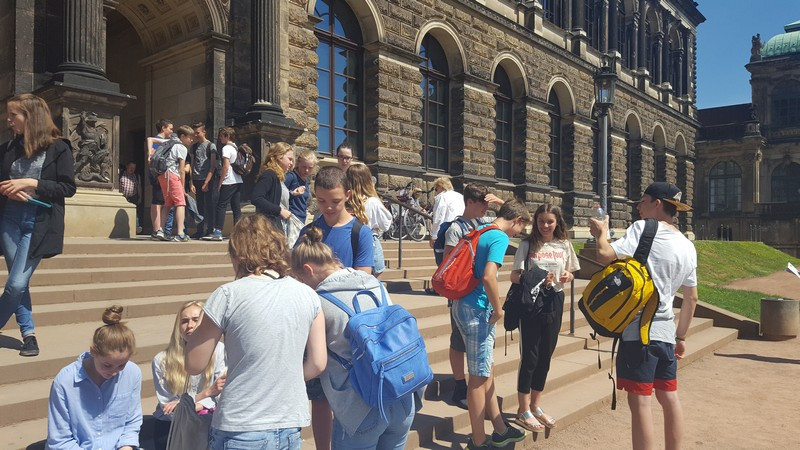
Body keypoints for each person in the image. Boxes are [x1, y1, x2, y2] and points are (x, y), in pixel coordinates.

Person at [185, 214, 327, 450]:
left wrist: (201, 324)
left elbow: (193, 363)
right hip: (289, 421)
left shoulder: (228, 294)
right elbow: (318, 363)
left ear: (237, 254)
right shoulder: (308, 295)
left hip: (241, 422)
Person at [589, 182, 699, 450]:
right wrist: (681, 337)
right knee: (669, 397)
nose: (638, 206)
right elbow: (691, 298)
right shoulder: (687, 245)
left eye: (643, 200)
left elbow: (604, 254)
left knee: (640, 402)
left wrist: (601, 233)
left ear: (657, 204)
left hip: (639, 333)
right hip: (666, 333)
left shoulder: (644, 229)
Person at [292, 227, 415, 449]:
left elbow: (316, 364)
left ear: (308, 270)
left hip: (361, 407)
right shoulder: (374, 284)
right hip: (401, 395)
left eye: (300, 279)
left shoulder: (319, 302)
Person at [294, 165, 373, 449]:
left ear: (348, 195)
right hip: (314, 326)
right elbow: (297, 273)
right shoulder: (308, 231)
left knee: (348, 394)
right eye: (322, 201)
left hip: (345, 330)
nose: (328, 207)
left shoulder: (360, 232)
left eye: (335, 201)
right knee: (319, 397)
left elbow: (364, 280)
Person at [0, 93, 77, 357]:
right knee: (18, 282)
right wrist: (8, 191)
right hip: (9, 220)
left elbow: (67, 188)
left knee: (16, 284)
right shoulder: (8, 148)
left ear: (30, 117)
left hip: (39, 222)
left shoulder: (59, 148)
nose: (9, 120)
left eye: (14, 115)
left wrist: (31, 183)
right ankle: (29, 335)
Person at [452, 199, 530, 449]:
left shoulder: (482, 229)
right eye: (521, 228)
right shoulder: (499, 237)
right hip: (477, 309)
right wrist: (498, 309)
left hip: (463, 304)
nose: (518, 234)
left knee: (487, 370)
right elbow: (488, 276)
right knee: (477, 378)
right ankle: (478, 441)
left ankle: (499, 428)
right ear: (517, 220)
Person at [510, 203, 579, 433]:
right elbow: (514, 276)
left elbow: (571, 271)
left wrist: (568, 275)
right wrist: (535, 278)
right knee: (530, 356)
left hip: (554, 300)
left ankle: (535, 405)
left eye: (550, 221)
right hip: (532, 303)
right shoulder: (527, 245)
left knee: (545, 356)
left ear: (557, 222)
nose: (545, 225)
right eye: (541, 221)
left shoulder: (564, 244)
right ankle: (523, 409)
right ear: (535, 222)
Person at [440, 183, 504, 408]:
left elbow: (515, 217)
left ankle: (477, 386)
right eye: (482, 204)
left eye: (488, 205)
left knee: (480, 345)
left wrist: (500, 202)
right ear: (469, 202)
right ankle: (460, 385)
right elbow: (448, 262)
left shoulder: (484, 223)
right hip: (462, 294)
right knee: (459, 341)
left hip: (480, 295)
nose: (486, 209)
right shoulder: (456, 229)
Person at [46, 305, 142, 449]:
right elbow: (60, 440)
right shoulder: (65, 381)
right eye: (107, 365)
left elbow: (132, 422)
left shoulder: (132, 373)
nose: (114, 372)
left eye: (121, 365)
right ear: (93, 352)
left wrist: (126, 446)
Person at [151, 301, 227, 450]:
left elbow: (221, 397)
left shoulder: (219, 350)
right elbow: (169, 410)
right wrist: (206, 393)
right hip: (172, 429)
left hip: (207, 425)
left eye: (196, 320)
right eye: (184, 321)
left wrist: (186, 404)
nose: (190, 325)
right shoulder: (162, 360)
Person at [346, 164, 391, 278]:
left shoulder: (344, 200)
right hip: (369, 240)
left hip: (348, 240)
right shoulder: (372, 201)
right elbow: (386, 224)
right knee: (375, 274)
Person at [154, 126, 193, 242]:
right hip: (172, 175)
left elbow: (151, 140)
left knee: (167, 204)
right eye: (190, 138)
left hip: (162, 175)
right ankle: (180, 233)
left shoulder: (169, 143)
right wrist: (182, 186)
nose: (191, 140)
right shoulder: (181, 147)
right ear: (182, 136)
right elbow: (181, 169)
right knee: (181, 203)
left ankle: (161, 230)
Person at [208, 127, 243, 240]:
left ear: (227, 136)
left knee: (221, 205)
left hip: (229, 181)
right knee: (236, 207)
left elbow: (226, 166)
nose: (220, 138)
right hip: (238, 180)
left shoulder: (226, 148)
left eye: (221, 136)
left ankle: (218, 231)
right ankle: (238, 232)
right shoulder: (236, 147)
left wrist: (221, 181)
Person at [252, 141, 294, 233]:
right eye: (289, 159)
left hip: (273, 224)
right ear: (279, 157)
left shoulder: (277, 176)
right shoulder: (269, 175)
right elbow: (256, 198)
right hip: (267, 226)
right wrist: (279, 211)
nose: (291, 163)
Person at [189, 122, 219, 239]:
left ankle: (210, 229)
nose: (196, 135)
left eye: (198, 133)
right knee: (199, 206)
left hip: (207, 179)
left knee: (210, 205)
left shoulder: (211, 146)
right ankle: (200, 230)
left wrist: (206, 182)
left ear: (204, 132)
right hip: (196, 179)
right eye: (194, 133)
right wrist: (191, 181)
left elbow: (213, 165)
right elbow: (192, 165)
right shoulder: (193, 147)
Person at [147, 119, 174, 238]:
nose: (172, 131)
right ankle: (157, 229)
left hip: (162, 173)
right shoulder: (159, 141)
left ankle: (159, 229)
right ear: (163, 128)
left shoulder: (165, 141)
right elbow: (152, 151)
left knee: (161, 200)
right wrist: (150, 153)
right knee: (158, 201)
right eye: (170, 128)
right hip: (158, 173)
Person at [284, 149, 317, 246]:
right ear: (298, 163)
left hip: (301, 219)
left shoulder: (305, 181)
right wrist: (292, 193)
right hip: (291, 218)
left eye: (310, 168)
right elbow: (278, 193)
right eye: (304, 167)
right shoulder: (291, 177)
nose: (306, 170)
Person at [429, 177, 464, 266]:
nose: (436, 191)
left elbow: (439, 216)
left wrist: (433, 235)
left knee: (443, 262)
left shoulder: (441, 196)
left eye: (436, 189)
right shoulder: (460, 196)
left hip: (446, 230)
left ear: (441, 186)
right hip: (461, 229)